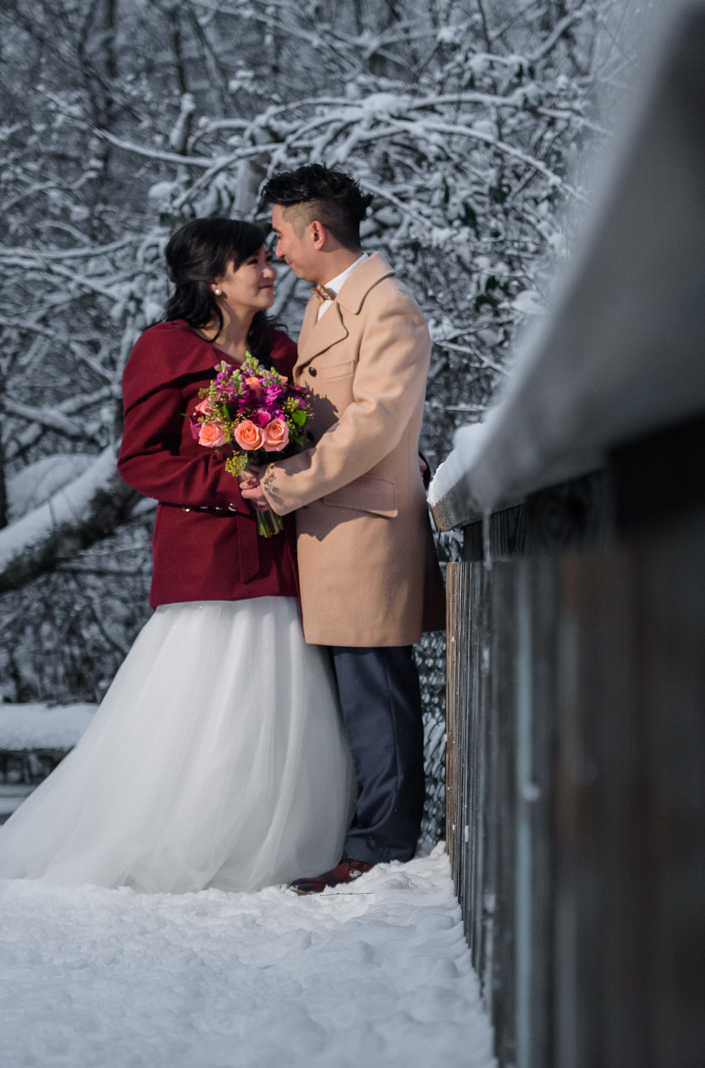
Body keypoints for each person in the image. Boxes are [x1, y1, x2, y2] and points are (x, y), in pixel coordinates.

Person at [0, 218, 355, 893]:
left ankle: (283, 846)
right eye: (253, 261)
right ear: (213, 278)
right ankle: (189, 840)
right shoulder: (165, 349)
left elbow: (328, 429)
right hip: (207, 555)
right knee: (204, 709)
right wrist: (229, 486)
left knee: (283, 705)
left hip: (281, 555)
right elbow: (139, 459)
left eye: (269, 257)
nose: (269, 269)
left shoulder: (280, 350)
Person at [240, 164, 441, 894]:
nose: (277, 250)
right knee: (353, 697)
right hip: (329, 529)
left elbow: (372, 428)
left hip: (364, 529)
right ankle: (359, 838)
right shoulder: (328, 306)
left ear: (314, 231)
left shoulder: (387, 308)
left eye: (281, 234)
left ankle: (382, 849)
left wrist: (285, 484)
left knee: (376, 697)